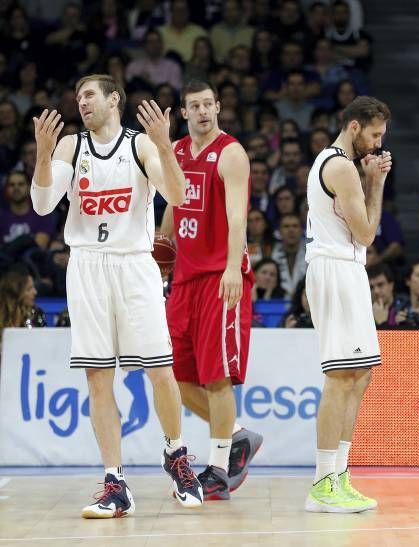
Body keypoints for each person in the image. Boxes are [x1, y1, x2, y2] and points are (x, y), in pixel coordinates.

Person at [30, 74, 202, 518]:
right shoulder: (71, 146)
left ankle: (176, 454)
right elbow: (43, 204)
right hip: (87, 265)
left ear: (113, 100)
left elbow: (178, 195)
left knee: (161, 371)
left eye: (88, 94)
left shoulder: (139, 145)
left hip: (133, 265)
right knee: (97, 378)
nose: (80, 102)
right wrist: (44, 155)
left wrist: (165, 144)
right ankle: (115, 481)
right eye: (77, 96)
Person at [159, 80, 262, 501]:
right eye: (194, 106)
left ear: (218, 106)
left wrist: (233, 268)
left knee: (216, 377)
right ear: (184, 113)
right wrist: (159, 248)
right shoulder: (178, 151)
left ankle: (218, 468)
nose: (203, 111)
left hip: (220, 277)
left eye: (208, 104)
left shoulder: (231, 153)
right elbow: (172, 203)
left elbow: (238, 217)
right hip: (183, 279)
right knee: (173, 376)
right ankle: (237, 435)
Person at [303, 95, 391, 512]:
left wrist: (369, 179)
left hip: (345, 268)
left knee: (360, 375)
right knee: (340, 378)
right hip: (336, 269)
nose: (377, 144)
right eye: (374, 135)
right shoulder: (340, 166)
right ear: (354, 127)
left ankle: (339, 473)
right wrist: (377, 183)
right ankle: (322, 482)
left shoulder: (339, 164)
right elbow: (369, 232)